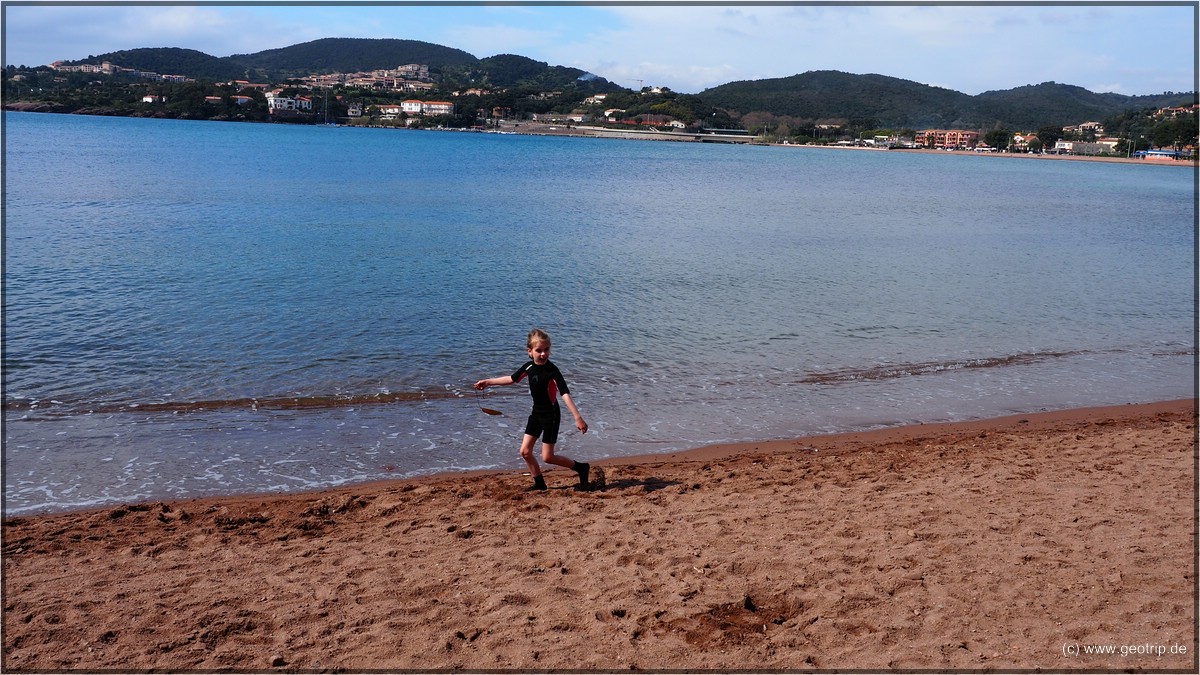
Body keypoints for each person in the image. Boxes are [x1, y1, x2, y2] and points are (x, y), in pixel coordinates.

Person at [475, 328, 591, 491]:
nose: (543, 354)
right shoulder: (529, 367)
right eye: (538, 350)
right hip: (536, 414)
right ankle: (539, 483)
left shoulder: (553, 371)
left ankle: (581, 468)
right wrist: (488, 382)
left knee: (548, 457)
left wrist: (577, 417)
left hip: (551, 415)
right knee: (525, 451)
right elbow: (511, 379)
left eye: (546, 350)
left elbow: (564, 393)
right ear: (530, 352)